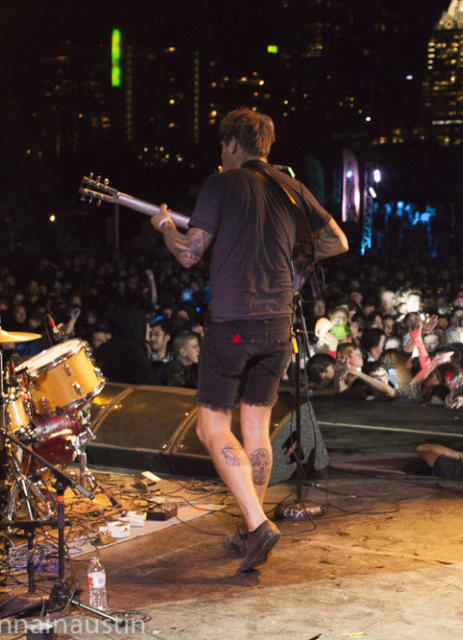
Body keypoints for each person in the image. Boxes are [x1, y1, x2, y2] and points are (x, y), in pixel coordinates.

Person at [151, 107, 348, 572]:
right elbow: (337, 240)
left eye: (223, 146)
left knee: (211, 427)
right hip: (279, 324)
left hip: (235, 321)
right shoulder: (289, 186)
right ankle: (248, 527)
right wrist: (295, 259)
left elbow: (188, 252)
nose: (221, 154)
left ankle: (258, 524)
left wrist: (163, 225)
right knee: (256, 427)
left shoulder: (222, 182)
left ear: (235, 145)